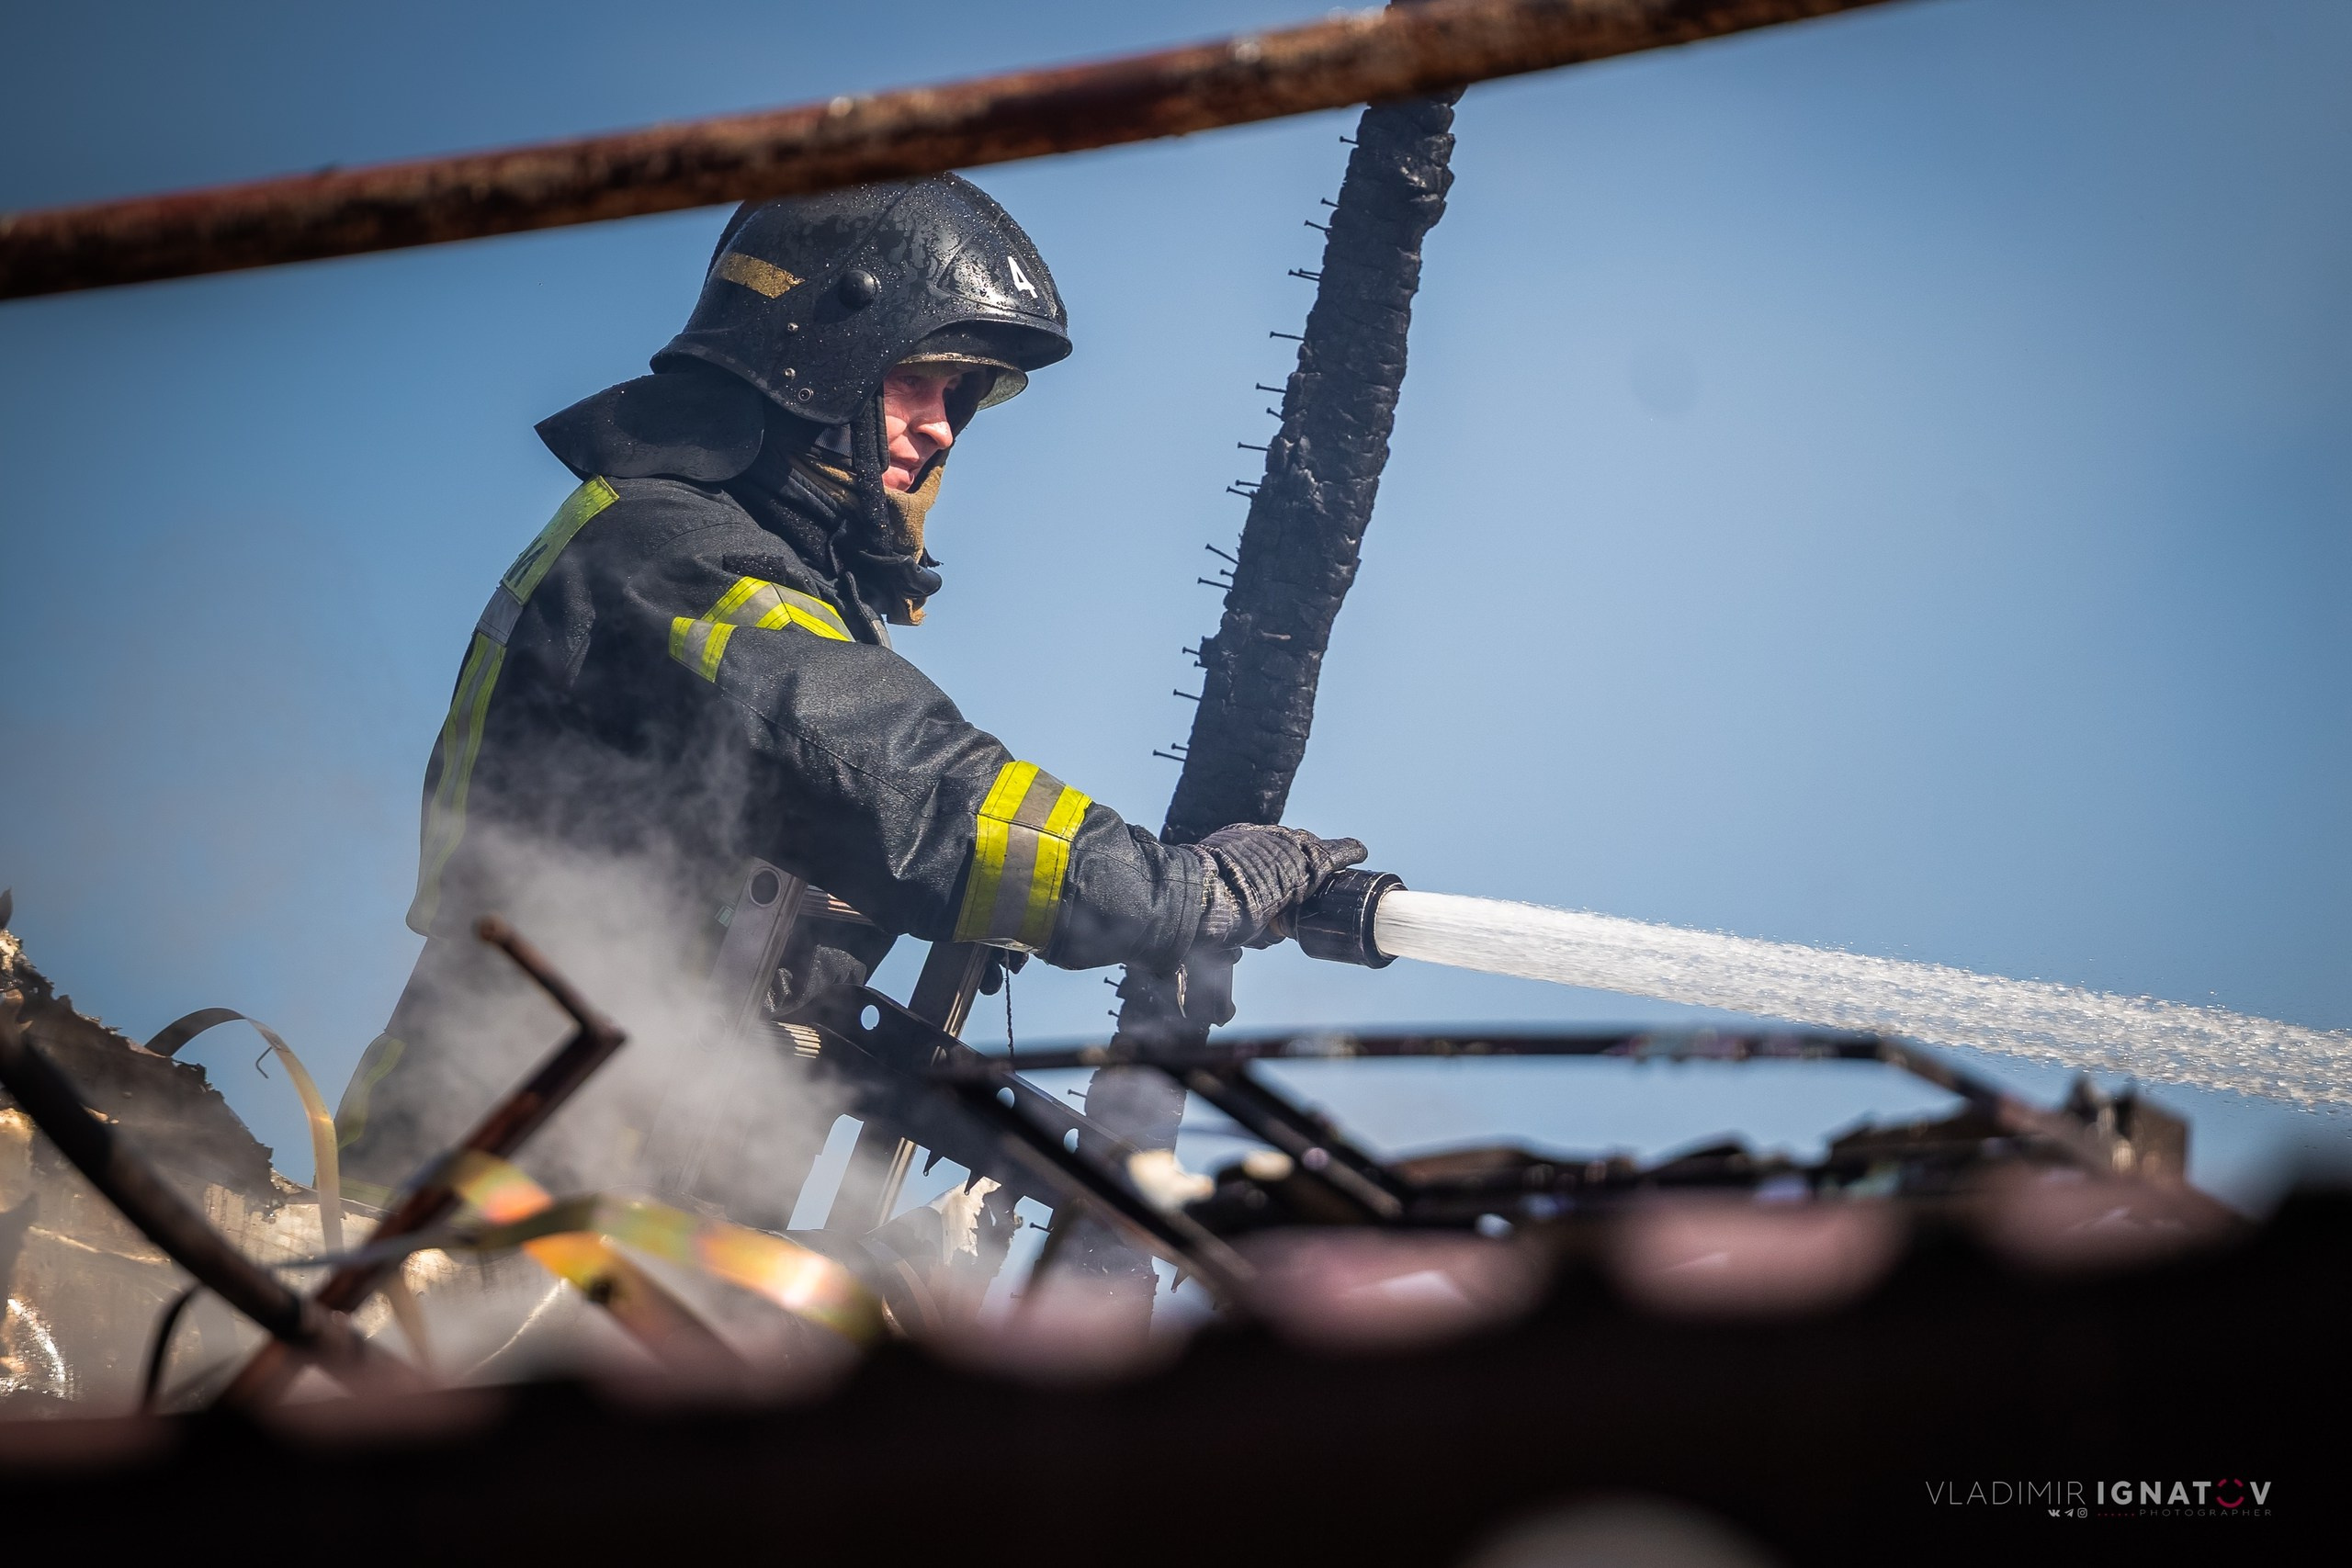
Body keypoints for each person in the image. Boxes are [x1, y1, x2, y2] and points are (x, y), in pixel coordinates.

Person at [333, 175, 1365, 1235]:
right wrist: (1183, 893)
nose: (945, 430)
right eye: (925, 380)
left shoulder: (755, 574)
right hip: (487, 1204)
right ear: (817, 351)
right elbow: (908, 787)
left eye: (966, 399)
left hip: (629, 1228)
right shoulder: (665, 550)